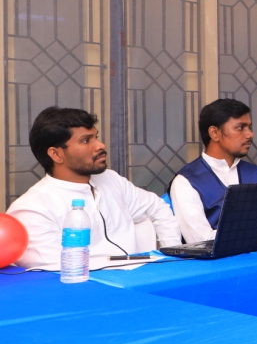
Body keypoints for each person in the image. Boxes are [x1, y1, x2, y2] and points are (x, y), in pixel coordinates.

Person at [8, 107, 179, 268]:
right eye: (85, 140)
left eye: (96, 137)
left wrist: (172, 256)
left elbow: (158, 208)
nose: (100, 145)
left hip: (142, 277)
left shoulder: (111, 180)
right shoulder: (32, 209)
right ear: (56, 154)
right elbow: (58, 268)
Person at [169, 99, 257, 243]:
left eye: (249, 127)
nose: (250, 134)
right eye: (240, 128)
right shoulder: (186, 182)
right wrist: (253, 232)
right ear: (215, 133)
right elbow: (200, 241)